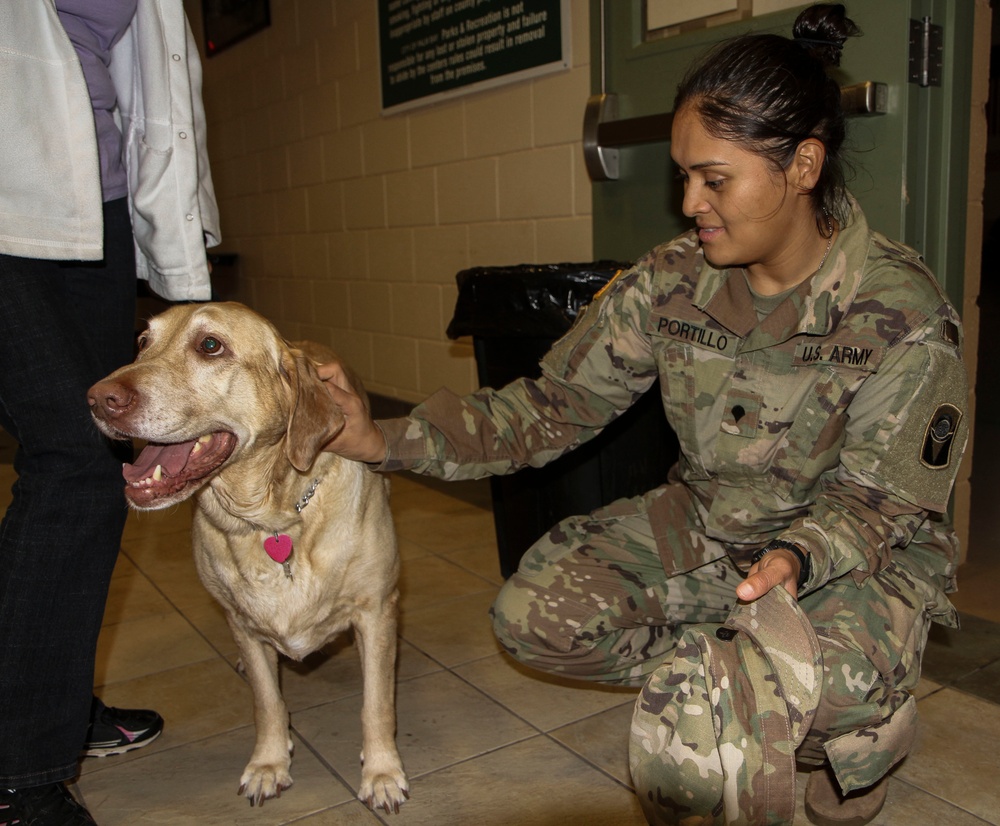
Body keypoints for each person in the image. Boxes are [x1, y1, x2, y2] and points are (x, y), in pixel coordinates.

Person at [319, 5, 968, 825]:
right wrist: (385, 439)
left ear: (803, 165)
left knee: (832, 686)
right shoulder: (668, 284)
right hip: (712, 526)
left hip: (848, 555)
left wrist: (796, 558)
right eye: (683, 176)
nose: (690, 201)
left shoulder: (898, 313)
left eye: (714, 179)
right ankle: (727, 674)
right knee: (534, 618)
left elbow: (884, 504)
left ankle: (860, 742)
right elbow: (551, 407)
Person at [0, 2, 219, 823]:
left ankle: (43, 699)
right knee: (72, 461)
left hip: (97, 210)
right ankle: (18, 769)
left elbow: (158, 83)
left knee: (103, 449)